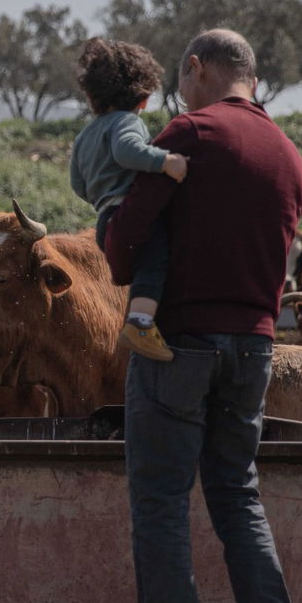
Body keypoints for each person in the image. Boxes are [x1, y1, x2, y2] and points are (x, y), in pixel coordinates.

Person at [102, 29, 302, 603]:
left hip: (180, 344)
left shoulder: (190, 132)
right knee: (237, 492)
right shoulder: (288, 155)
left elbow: (133, 230)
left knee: (160, 498)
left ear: (196, 69)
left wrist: (115, 247)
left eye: (181, 78)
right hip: (254, 347)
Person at [68, 38, 188, 361]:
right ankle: (141, 324)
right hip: (130, 214)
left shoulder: (84, 136)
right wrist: (165, 161)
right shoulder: (127, 122)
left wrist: (99, 194)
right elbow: (127, 150)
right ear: (143, 97)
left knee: (139, 273)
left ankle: (138, 318)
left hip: (104, 220)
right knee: (155, 262)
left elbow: (77, 184)